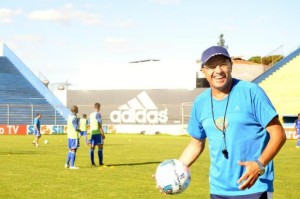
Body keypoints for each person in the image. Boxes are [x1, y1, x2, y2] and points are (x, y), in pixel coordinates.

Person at [178, 46, 286, 198]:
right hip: (218, 190)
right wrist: (174, 172)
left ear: (231, 65)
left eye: (223, 64)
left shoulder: (251, 92)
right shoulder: (200, 103)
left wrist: (260, 164)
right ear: (203, 71)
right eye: (211, 66)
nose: (218, 70)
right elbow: (196, 143)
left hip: (254, 187)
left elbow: (278, 134)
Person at [89, 102, 105, 166]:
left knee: (92, 148)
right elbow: (99, 124)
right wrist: (102, 133)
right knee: (100, 147)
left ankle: (92, 162)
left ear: (94, 107)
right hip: (98, 133)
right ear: (99, 108)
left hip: (92, 133)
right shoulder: (98, 114)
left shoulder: (91, 114)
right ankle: (100, 163)